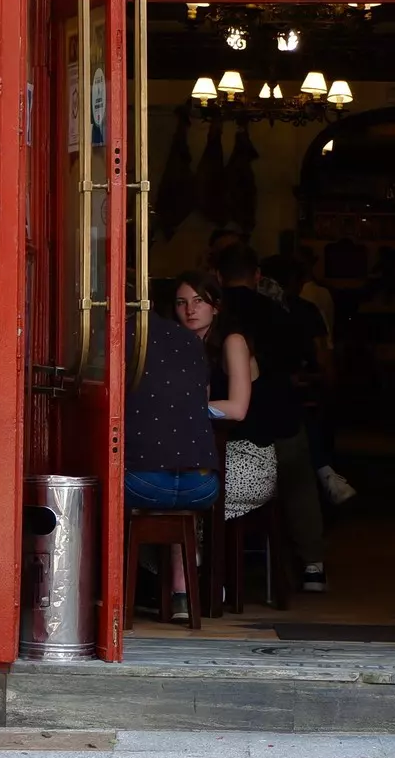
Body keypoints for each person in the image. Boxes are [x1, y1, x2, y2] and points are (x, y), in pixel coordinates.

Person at [212, 243, 329, 592]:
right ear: (258, 276)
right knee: (298, 482)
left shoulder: (212, 316)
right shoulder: (280, 312)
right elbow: (301, 363)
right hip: (279, 415)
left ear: (218, 277)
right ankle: (313, 566)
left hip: (228, 424)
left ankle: (213, 567)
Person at [125, 277, 220, 624]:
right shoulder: (191, 343)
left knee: (97, 492)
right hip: (202, 486)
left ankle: (115, 596)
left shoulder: (118, 338)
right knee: (177, 498)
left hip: (145, 484)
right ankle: (181, 595)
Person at [174, 273, 278, 522]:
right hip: (210, 456)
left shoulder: (233, 341)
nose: (190, 309)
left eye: (199, 301)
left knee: (176, 492)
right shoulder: (187, 348)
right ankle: (189, 557)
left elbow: (237, 409)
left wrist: (183, 409)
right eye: (181, 302)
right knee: (158, 489)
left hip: (249, 458)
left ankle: (194, 557)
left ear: (216, 307)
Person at [265, 251, 353, 507]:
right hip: (299, 395)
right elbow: (321, 353)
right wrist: (327, 382)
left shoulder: (263, 313)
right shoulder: (304, 311)